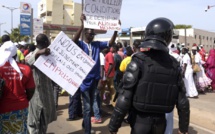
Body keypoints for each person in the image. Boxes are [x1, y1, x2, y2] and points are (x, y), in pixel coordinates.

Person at [108, 18, 190, 134]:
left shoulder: (138, 61)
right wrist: (183, 128)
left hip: (140, 122)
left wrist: (113, 126)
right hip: (160, 123)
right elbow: (182, 102)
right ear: (168, 38)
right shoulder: (174, 65)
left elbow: (125, 97)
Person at [73, 14, 119, 134]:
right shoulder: (81, 45)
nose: (92, 36)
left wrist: (115, 30)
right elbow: (74, 40)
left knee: (90, 106)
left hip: (95, 80)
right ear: (85, 34)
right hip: (84, 80)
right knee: (87, 108)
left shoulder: (96, 45)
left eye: (93, 34)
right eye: (90, 34)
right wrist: (82, 25)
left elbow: (110, 43)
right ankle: (88, 131)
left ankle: (85, 123)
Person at [0, 41, 35, 133]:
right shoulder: (26, 68)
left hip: (2, 108)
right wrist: (25, 100)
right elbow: (31, 90)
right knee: (20, 130)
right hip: (21, 107)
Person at [26, 34, 57, 134]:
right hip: (37, 96)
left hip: (46, 95)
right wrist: (38, 53)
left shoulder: (49, 55)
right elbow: (28, 64)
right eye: (48, 41)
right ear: (45, 43)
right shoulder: (33, 54)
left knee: (44, 123)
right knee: (35, 123)